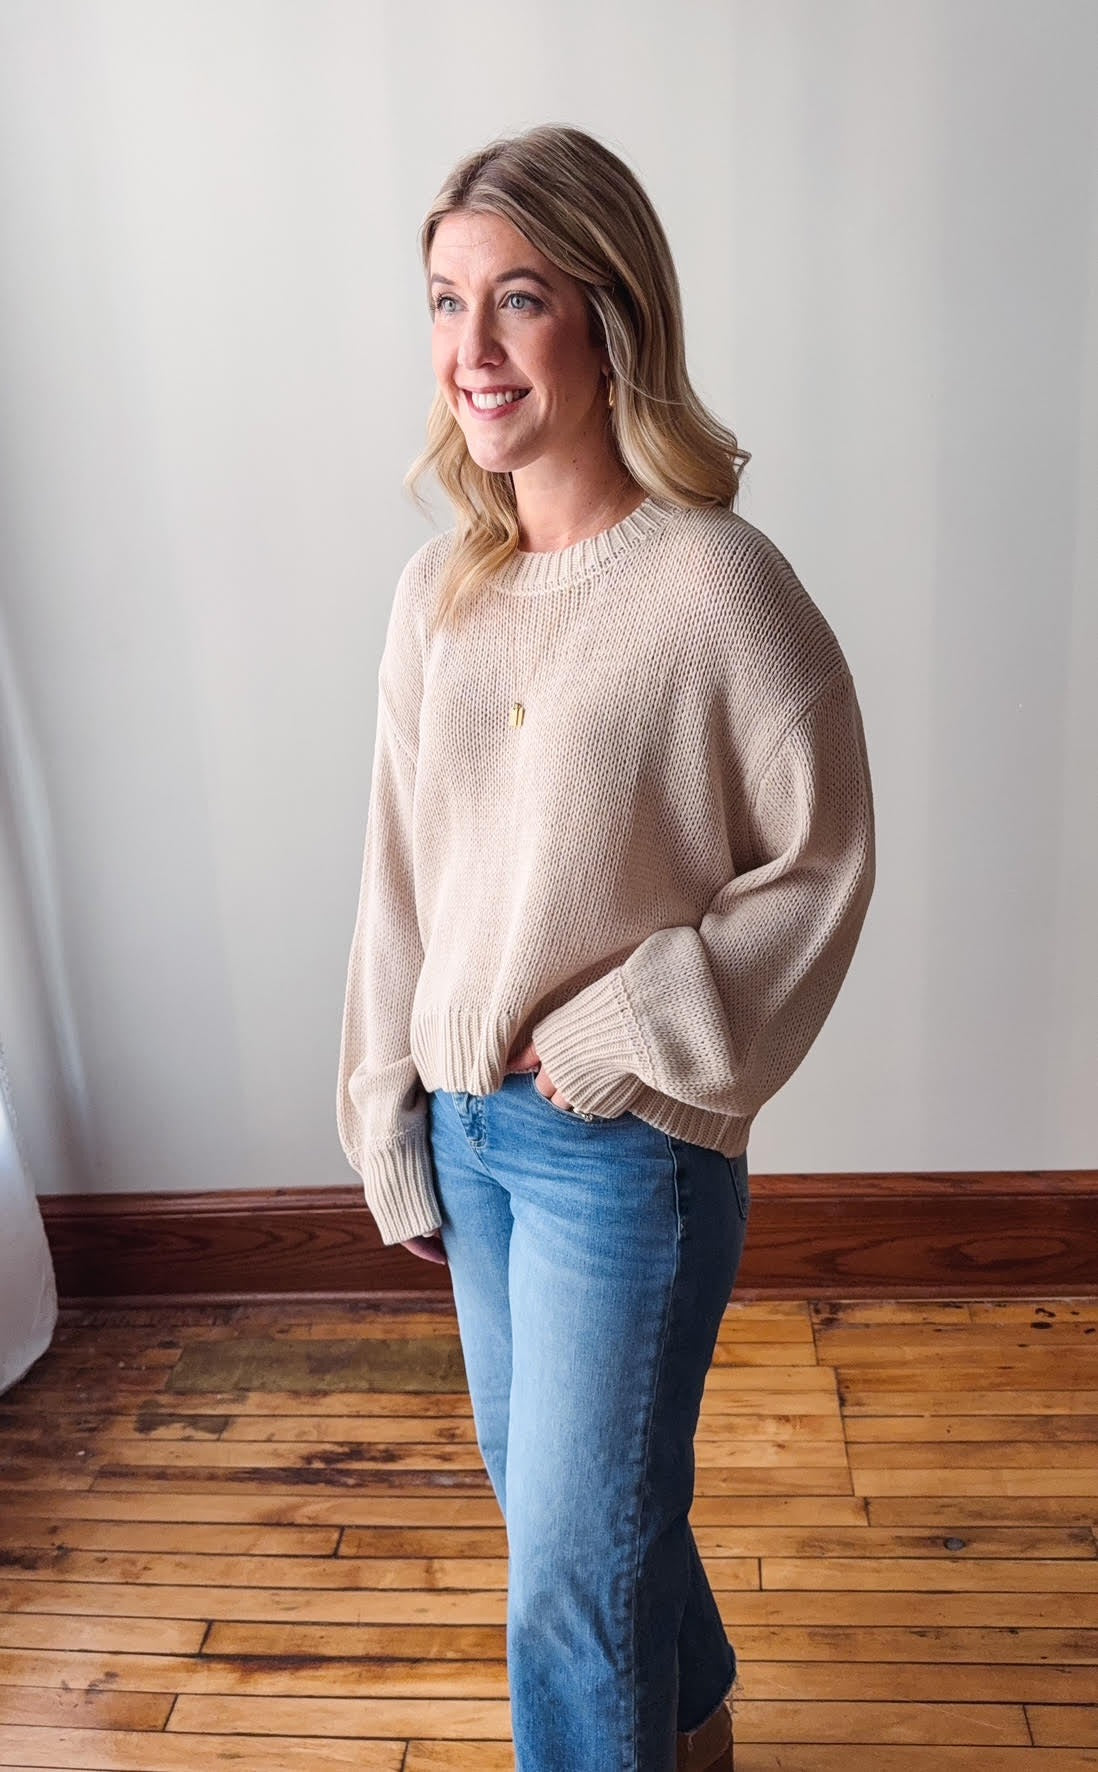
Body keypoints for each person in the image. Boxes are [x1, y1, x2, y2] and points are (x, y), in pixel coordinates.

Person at [336, 123, 876, 1772]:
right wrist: (387, 1111)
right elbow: (399, 877)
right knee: (580, 1516)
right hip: (473, 1138)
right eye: (444, 303)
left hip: (620, 1148)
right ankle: (692, 1732)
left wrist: (616, 1031)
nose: (471, 352)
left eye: (518, 301)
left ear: (609, 316)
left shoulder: (717, 588)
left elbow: (820, 867)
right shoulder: (439, 590)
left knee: (566, 1576)